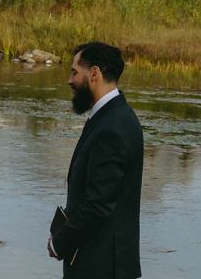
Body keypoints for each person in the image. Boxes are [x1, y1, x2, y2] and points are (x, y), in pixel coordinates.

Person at [48, 42, 144, 278]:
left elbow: (98, 205)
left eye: (74, 72)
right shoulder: (112, 116)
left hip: (100, 266)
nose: (69, 80)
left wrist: (60, 242)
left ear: (94, 74)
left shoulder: (112, 127)